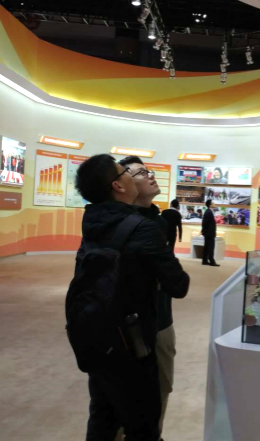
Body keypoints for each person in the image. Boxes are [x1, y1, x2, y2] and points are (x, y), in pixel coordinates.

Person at [74, 154, 190, 441]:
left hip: (99, 329)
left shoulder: (93, 219)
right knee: (141, 417)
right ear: (119, 185)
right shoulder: (142, 227)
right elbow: (178, 284)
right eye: (131, 172)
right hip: (135, 334)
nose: (147, 176)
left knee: (103, 413)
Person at [119, 156, 185, 439]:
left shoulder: (158, 222)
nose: (150, 176)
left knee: (161, 386)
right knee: (121, 396)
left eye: (149, 171)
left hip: (161, 319)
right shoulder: (117, 223)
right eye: (140, 173)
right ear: (121, 184)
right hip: (127, 324)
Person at [202, 199, 220, 266]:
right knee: (210, 247)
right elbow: (205, 223)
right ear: (210, 205)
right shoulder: (209, 212)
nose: (214, 204)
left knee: (207, 246)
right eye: (213, 203)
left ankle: (204, 260)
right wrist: (206, 231)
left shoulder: (209, 211)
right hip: (209, 233)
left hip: (208, 232)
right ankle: (212, 261)